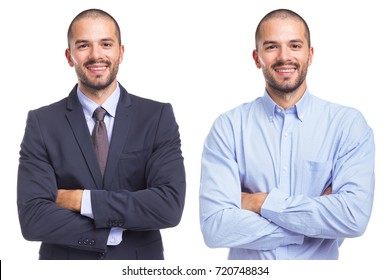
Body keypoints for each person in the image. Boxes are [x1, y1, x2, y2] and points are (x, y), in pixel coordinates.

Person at [199, 9, 375, 260]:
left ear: (310, 54)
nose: (284, 57)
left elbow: (353, 218)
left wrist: (260, 203)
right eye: (271, 47)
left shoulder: (347, 125)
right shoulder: (228, 127)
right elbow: (215, 228)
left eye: (294, 45)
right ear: (256, 57)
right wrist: (315, 223)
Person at [17, 8, 186, 260]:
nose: (96, 55)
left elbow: (168, 206)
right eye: (83, 45)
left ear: (121, 52)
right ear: (69, 55)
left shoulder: (157, 117)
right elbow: (33, 218)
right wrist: (110, 232)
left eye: (106, 44)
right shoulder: (42, 122)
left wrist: (80, 200)